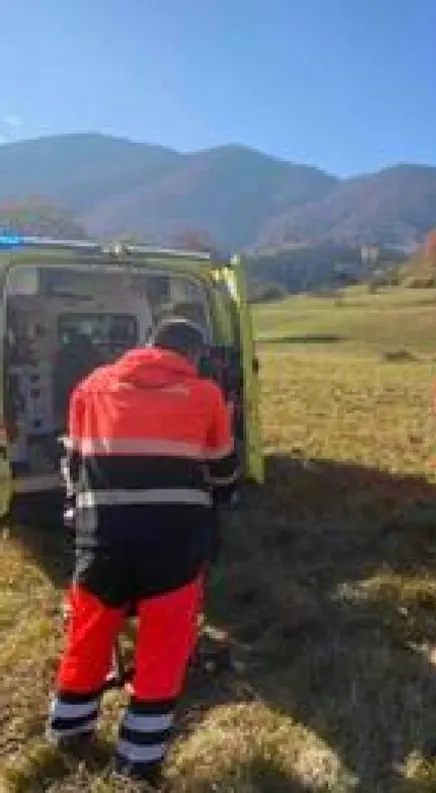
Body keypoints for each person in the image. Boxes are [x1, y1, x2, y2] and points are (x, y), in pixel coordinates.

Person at [46, 317, 239, 783]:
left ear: (147, 345)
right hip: (173, 538)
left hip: (101, 535)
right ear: (191, 354)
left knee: (90, 631)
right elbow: (223, 470)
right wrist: (222, 494)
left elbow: (73, 462)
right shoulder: (205, 393)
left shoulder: (90, 387)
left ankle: (68, 729)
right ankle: (138, 760)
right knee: (163, 644)